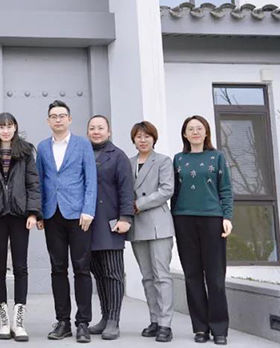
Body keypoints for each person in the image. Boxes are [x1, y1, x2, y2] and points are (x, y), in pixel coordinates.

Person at [35, 100, 97, 344]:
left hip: (79, 215)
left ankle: (83, 323)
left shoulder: (83, 144)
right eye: (53, 116)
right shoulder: (42, 147)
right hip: (52, 214)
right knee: (58, 268)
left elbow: (91, 179)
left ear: (69, 119)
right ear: (48, 121)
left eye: (62, 115)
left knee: (81, 268)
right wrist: (40, 213)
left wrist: (88, 210)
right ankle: (63, 321)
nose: (58, 119)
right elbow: (40, 181)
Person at [0, 112, 42, 342]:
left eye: (9, 126)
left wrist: (33, 212)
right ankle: (5, 321)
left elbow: (33, 183)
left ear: (15, 127)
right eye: (1, 127)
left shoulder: (25, 152)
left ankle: (19, 321)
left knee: (20, 266)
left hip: (19, 215)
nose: (5, 131)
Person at [172, 115, 233, 345]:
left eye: (199, 128)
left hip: (212, 220)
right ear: (185, 134)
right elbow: (174, 193)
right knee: (192, 276)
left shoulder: (217, 157)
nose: (195, 132)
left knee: (215, 276)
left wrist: (227, 217)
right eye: (191, 129)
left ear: (206, 132)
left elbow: (226, 189)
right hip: (184, 220)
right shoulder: (179, 159)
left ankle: (219, 329)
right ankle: (200, 328)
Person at [86, 115, 134, 340]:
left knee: (113, 273)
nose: (96, 132)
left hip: (111, 221)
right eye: (92, 128)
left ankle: (114, 320)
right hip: (88, 222)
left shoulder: (118, 156)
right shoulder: (83, 152)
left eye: (100, 128)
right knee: (98, 272)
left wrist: (125, 217)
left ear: (109, 131)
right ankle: (105, 317)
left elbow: (126, 189)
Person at [128, 121, 175, 343]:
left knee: (161, 276)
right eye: (139, 136)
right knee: (147, 277)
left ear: (154, 138)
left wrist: (139, 204)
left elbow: (167, 189)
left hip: (158, 224)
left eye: (147, 136)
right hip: (137, 226)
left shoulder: (163, 161)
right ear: (134, 140)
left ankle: (166, 323)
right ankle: (154, 319)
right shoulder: (128, 163)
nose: (143, 140)